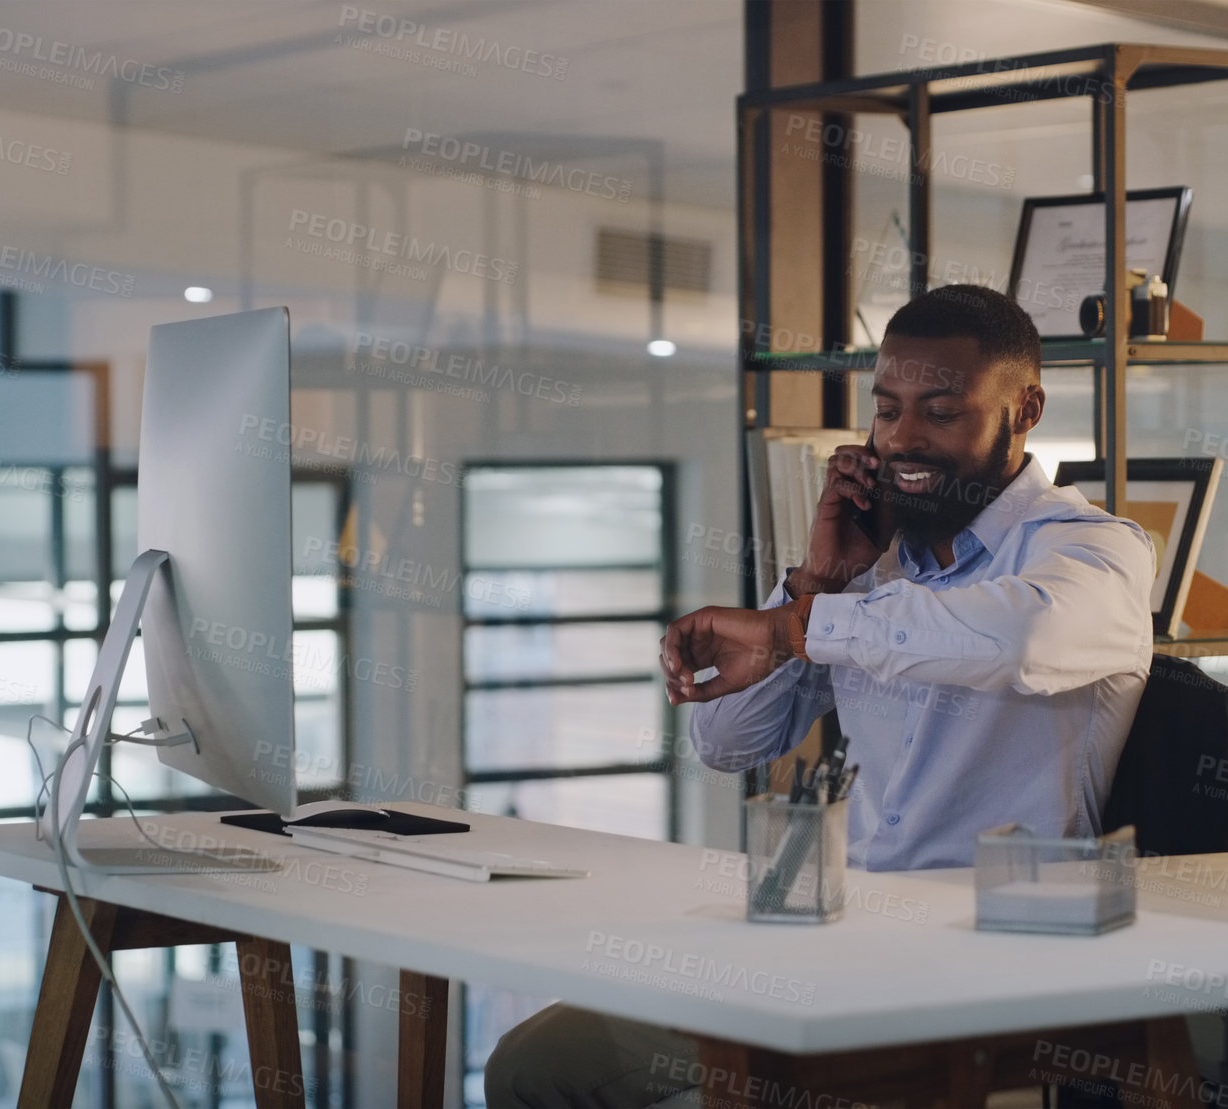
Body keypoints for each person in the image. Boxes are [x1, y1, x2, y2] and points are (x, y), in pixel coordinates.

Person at [484, 284, 1154, 1107]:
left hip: (985, 959)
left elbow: (1022, 640)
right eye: (886, 409)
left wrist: (800, 625)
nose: (903, 436)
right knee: (533, 1064)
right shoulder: (865, 582)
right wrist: (817, 582)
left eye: (940, 410)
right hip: (835, 935)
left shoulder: (1091, 551)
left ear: (1025, 409)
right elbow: (726, 742)